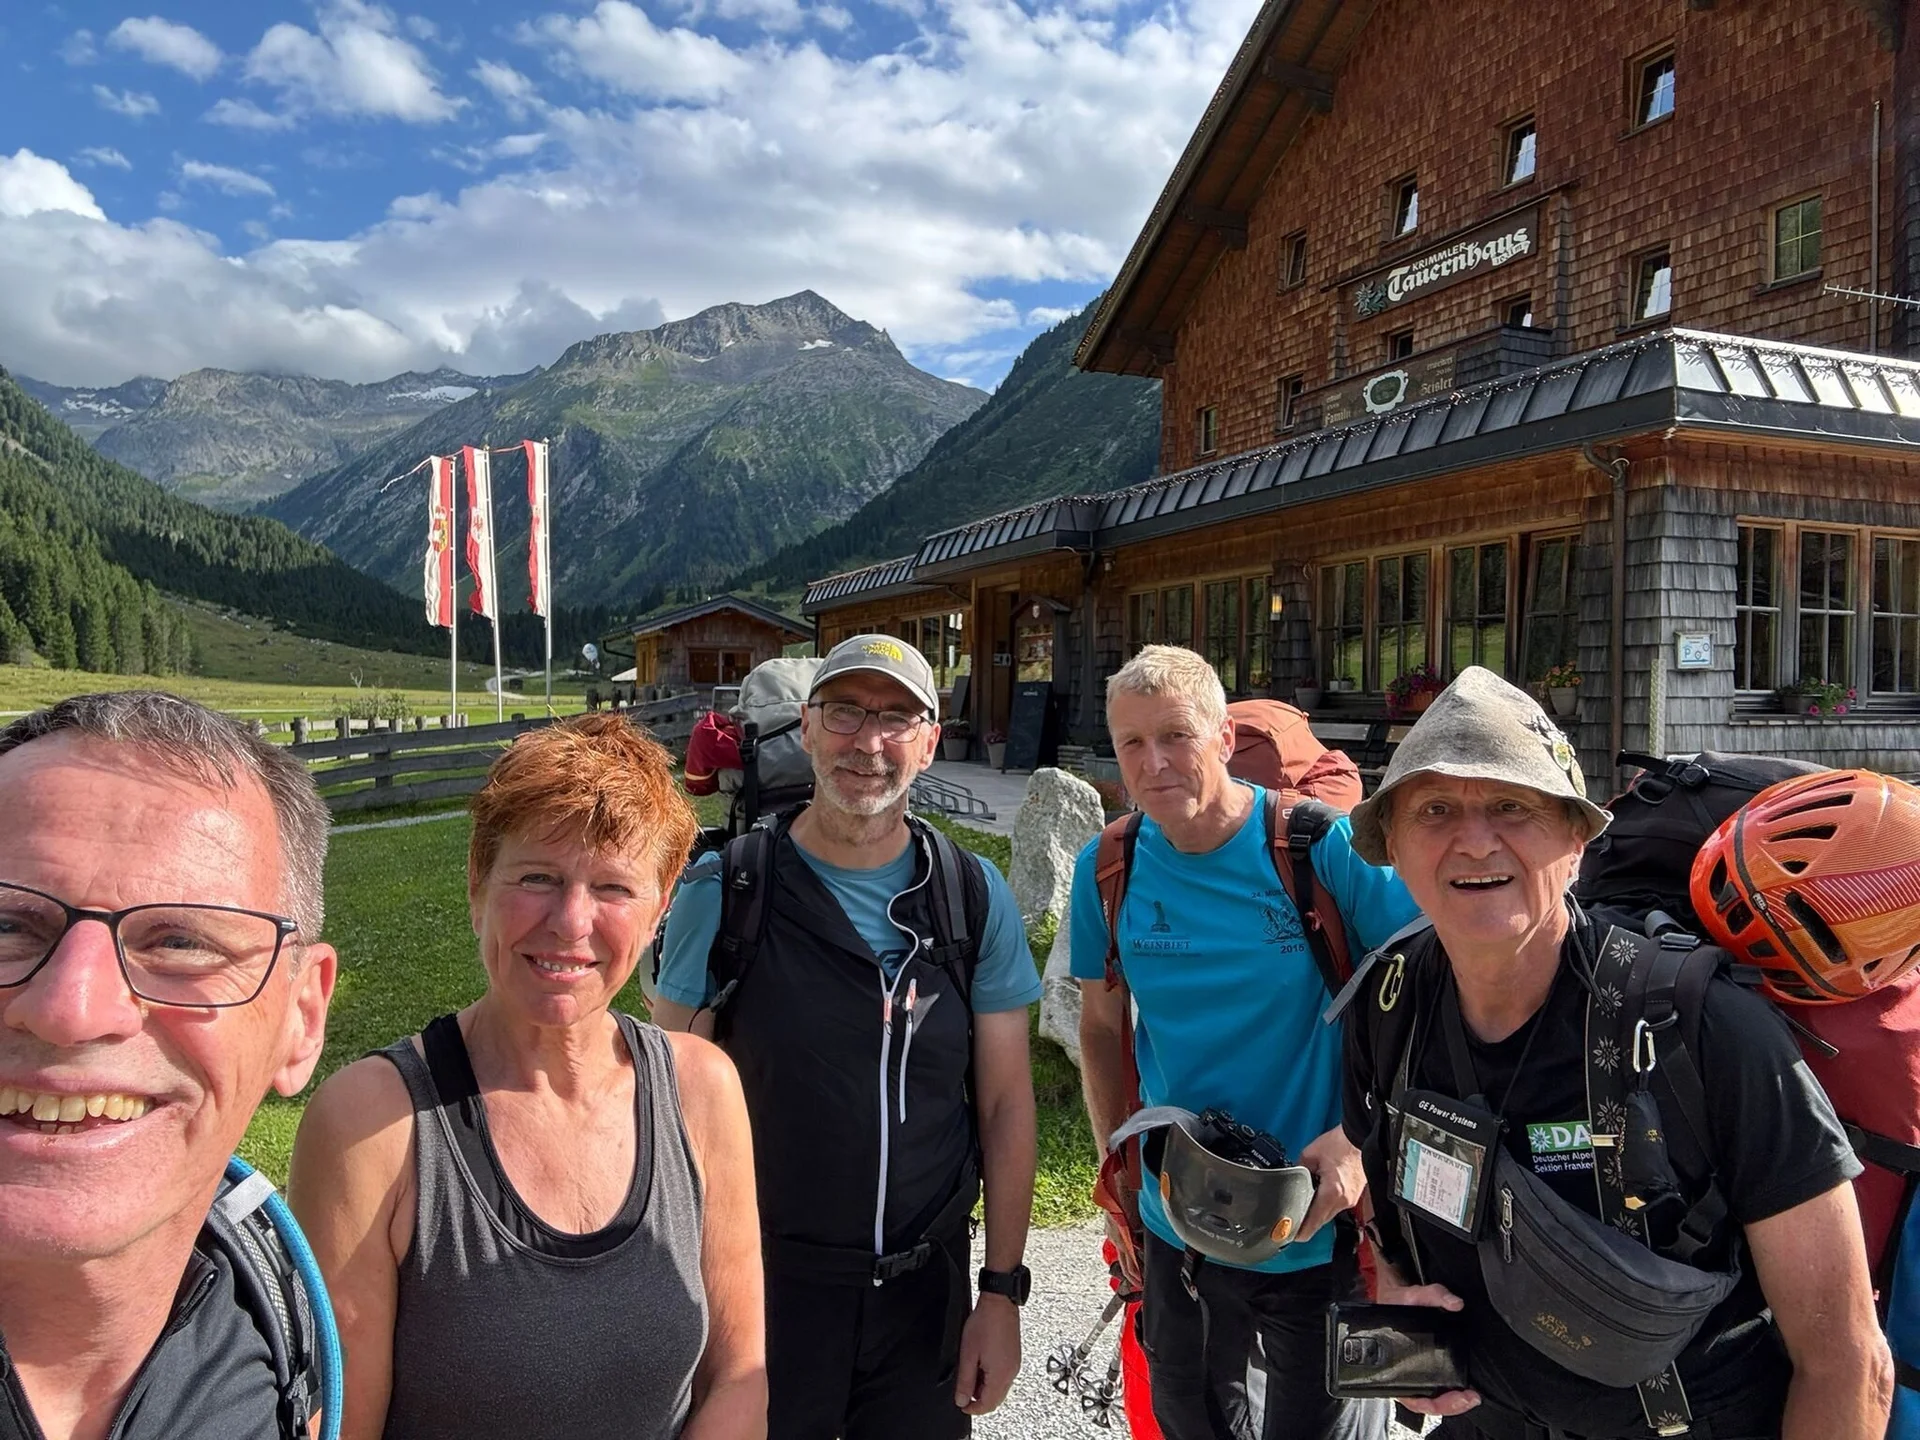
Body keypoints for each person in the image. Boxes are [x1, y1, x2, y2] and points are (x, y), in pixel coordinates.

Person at [1341, 666, 1893, 1439]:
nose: (1474, 839)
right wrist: (1401, 1296)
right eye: (1435, 809)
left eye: (1511, 806)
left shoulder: (1700, 1028)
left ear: (1576, 838)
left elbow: (1847, 1362)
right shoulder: (1387, 1004)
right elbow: (1384, 1187)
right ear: (1391, 844)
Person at [288, 714, 764, 1440]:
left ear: (661, 906)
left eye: (613, 887)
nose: (571, 922)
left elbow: (739, 1378)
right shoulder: (370, 1125)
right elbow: (342, 1424)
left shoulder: (702, 1091)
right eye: (538, 877)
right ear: (478, 882)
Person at [652, 633, 1040, 1440]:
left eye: (897, 718)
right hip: (763, 1292)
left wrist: (999, 1293)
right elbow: (668, 1108)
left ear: (931, 743)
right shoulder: (726, 891)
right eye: (845, 714)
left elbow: (1005, 1105)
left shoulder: (971, 898)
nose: (869, 742)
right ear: (806, 726)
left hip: (924, 1300)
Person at [1070, 644, 1419, 1440]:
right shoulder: (1109, 868)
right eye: (1131, 743)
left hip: (1325, 1225)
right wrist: (1117, 1171)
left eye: (1177, 736)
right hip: (1176, 1221)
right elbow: (1100, 1025)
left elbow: (1430, 988)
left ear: (1224, 738)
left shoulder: (1315, 848)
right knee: (1187, 1422)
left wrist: (1360, 1139)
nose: (1154, 763)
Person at [0, 690, 338, 1440]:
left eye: (181, 942)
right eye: (6, 924)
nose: (71, 1009)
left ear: (301, 1019)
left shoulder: (271, 1314)